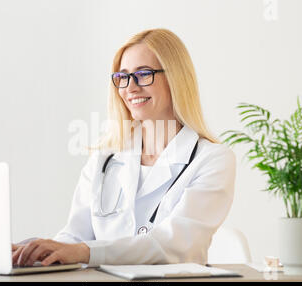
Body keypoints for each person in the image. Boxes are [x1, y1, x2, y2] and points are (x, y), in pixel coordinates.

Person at [12, 28, 236, 267]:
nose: (130, 87)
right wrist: (38, 254)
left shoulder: (213, 160)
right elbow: (75, 237)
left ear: (176, 78)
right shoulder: (105, 158)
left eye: (143, 74)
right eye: (123, 77)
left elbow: (171, 245)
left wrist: (84, 252)